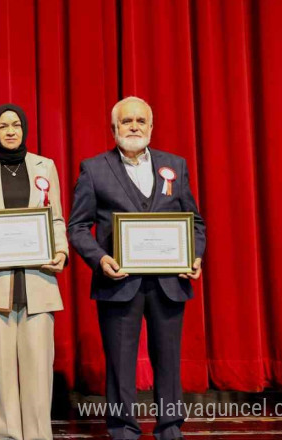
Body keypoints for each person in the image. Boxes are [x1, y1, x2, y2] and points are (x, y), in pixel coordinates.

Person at [68, 96, 206, 440]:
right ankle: (122, 429)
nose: (134, 127)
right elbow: (78, 226)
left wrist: (195, 256)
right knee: (119, 363)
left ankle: (170, 428)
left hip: (168, 281)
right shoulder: (94, 168)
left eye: (140, 121)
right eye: (126, 121)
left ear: (151, 127)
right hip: (118, 282)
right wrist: (100, 259)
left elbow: (196, 222)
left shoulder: (175, 165)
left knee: (169, 362)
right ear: (114, 128)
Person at [0, 104, 68, 440]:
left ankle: (37, 436)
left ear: (24, 129)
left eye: (16, 125)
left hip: (38, 279)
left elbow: (56, 219)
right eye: (3, 125)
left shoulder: (44, 166)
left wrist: (61, 250)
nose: (10, 131)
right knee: (1, 369)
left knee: (38, 368)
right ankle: (5, 436)